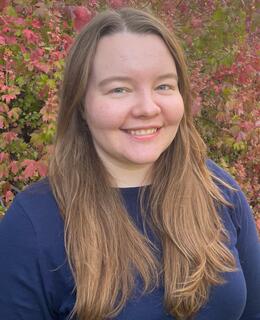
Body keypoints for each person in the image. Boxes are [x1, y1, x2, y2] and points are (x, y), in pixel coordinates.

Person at [0, 7, 259, 320]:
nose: (148, 108)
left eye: (163, 85)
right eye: (119, 89)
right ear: (81, 103)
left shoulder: (219, 190)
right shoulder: (33, 223)